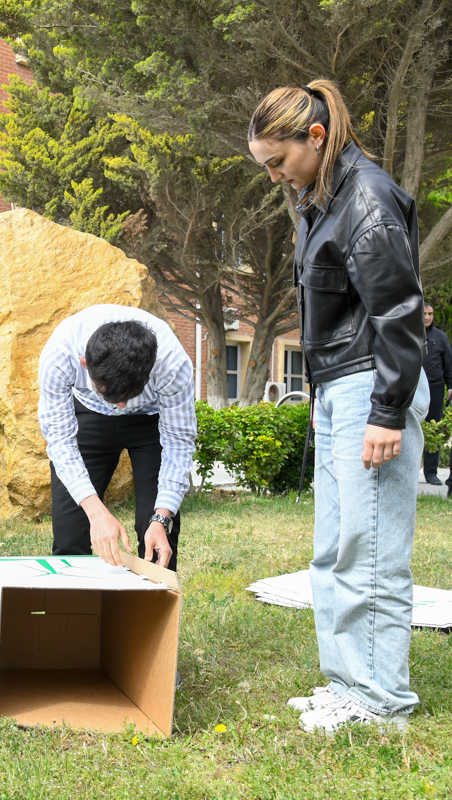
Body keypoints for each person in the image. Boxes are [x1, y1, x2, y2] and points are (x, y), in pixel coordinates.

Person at [249, 79, 426, 733]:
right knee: (334, 548)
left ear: (314, 137)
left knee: (370, 549)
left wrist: (386, 409)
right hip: (339, 388)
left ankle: (381, 701)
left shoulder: (367, 199)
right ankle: (349, 682)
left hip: (370, 387)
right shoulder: (321, 201)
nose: (273, 176)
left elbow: (400, 314)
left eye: (277, 161)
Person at [37, 305, 195, 572]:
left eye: (128, 395)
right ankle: (76, 610)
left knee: (156, 535)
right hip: (88, 414)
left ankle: (153, 608)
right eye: (111, 395)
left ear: (150, 371)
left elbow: (178, 443)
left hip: (150, 420)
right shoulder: (60, 354)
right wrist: (97, 513)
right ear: (85, 364)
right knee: (71, 531)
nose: (120, 407)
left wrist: (161, 517)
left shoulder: (172, 363)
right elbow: (60, 441)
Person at [420, 302, 452, 486]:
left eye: (430, 313)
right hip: (412, 389)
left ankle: (431, 473)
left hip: (436, 388)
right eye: (424, 313)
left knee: (434, 430)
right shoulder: (410, 334)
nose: (427, 317)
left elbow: (448, 363)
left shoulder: (440, 337)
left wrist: (451, 387)